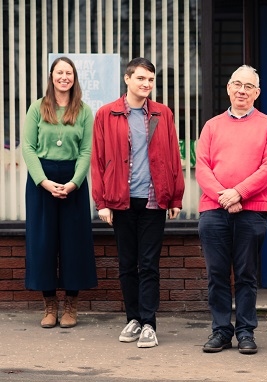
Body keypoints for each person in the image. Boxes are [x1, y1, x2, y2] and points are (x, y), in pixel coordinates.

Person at [91, 57, 185, 348]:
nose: (146, 84)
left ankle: (148, 324)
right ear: (127, 79)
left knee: (149, 264)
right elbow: (97, 161)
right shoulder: (106, 115)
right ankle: (132, 319)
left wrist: (176, 195)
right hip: (120, 201)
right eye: (141, 78)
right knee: (127, 264)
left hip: (154, 200)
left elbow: (173, 156)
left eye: (151, 80)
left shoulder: (162, 114)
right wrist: (102, 202)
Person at [196, 65, 267, 355]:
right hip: (214, 210)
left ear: (257, 93)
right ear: (229, 88)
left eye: (248, 86)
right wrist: (224, 197)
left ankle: (245, 331)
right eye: (237, 84)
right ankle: (220, 331)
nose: (242, 90)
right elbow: (202, 167)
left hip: (252, 209)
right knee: (217, 274)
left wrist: (239, 193)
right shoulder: (211, 126)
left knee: (246, 275)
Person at [22, 56, 97, 329]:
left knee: (73, 243)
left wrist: (75, 182)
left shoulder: (84, 111)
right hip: (41, 181)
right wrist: (43, 181)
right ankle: (50, 304)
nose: (64, 77)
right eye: (59, 72)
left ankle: (71, 305)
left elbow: (87, 151)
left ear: (74, 77)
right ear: (51, 76)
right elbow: (28, 148)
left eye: (69, 73)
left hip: (72, 182)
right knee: (43, 243)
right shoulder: (37, 109)